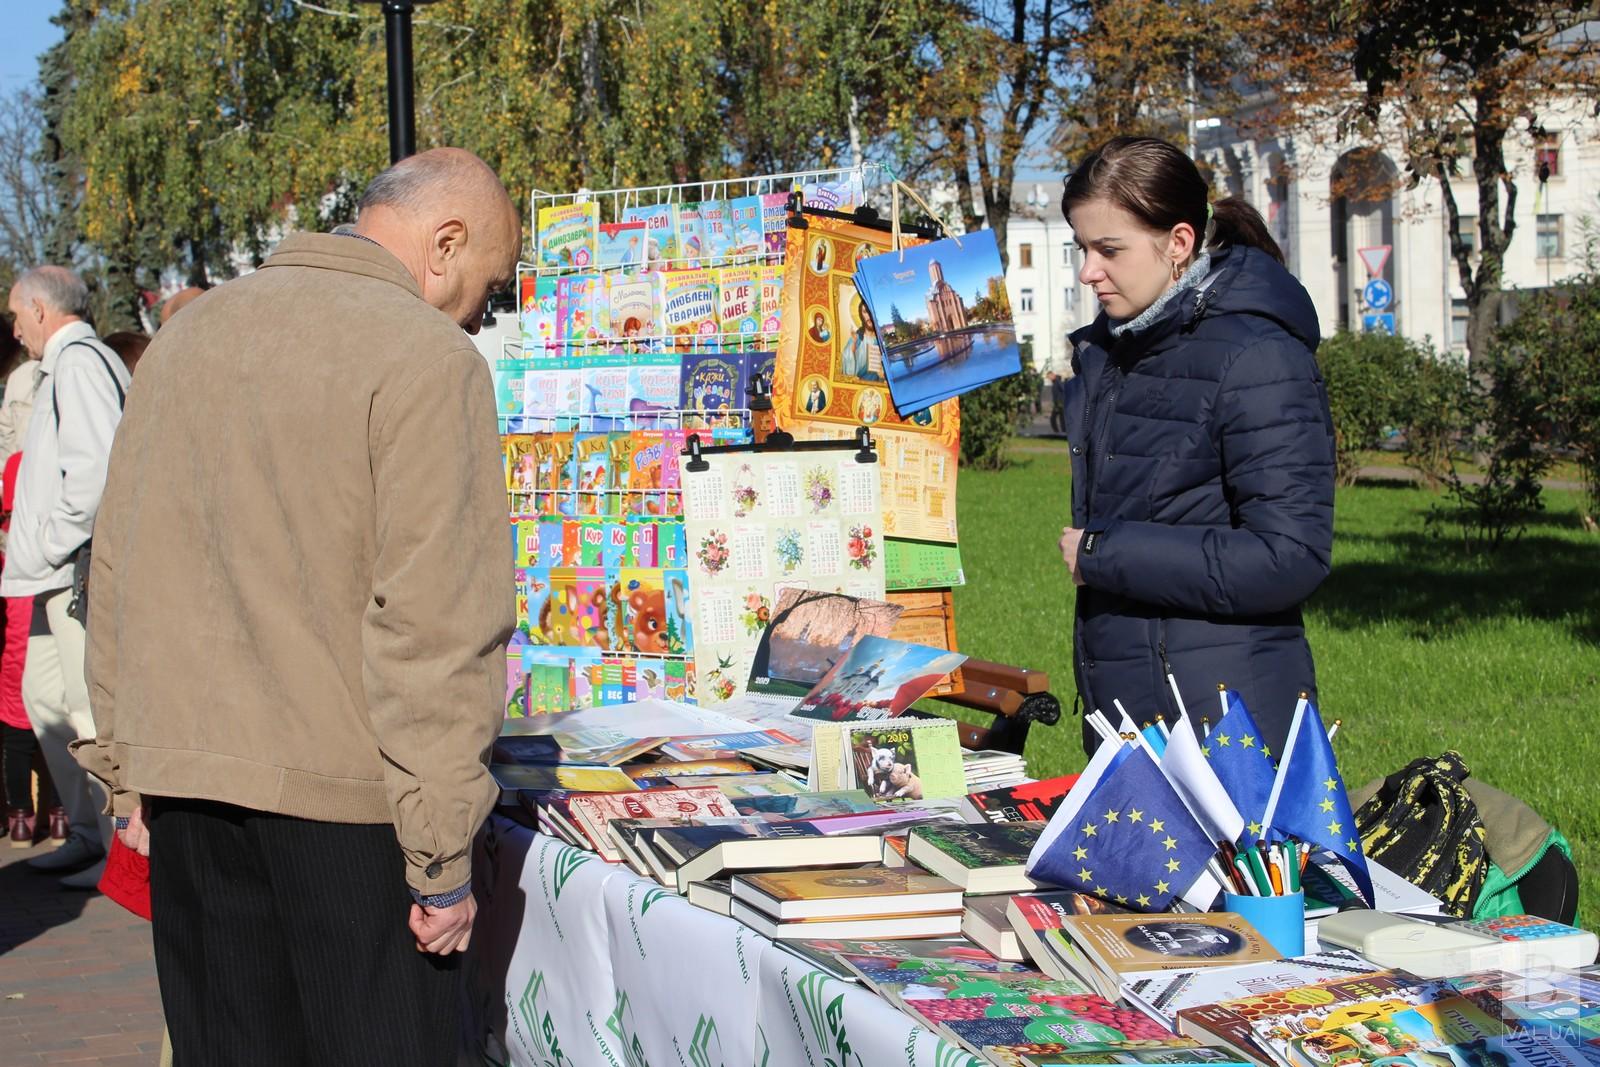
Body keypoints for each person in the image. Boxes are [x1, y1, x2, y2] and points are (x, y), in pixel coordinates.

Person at [73, 148, 518, 1063]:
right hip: (351, 820)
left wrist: (126, 770)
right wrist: (440, 860)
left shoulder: (186, 339)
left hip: (190, 794)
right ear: (444, 243)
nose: (480, 317)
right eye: (488, 287)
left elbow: (116, 568)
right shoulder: (426, 357)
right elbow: (437, 630)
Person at [1055, 136, 1335, 757]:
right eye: (1082, 247)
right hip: (1134, 721)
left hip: (1226, 731)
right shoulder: (1116, 351)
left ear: (1178, 244)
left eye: (1109, 249)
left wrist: (1104, 554)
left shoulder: (1258, 356)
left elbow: (1289, 554)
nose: (1087, 270)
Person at [3, 266, 129, 887]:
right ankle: (88, 834)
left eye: (17, 314)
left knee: (85, 705)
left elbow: (96, 469)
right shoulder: (65, 367)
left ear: (42, 311)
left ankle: (119, 847)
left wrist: (53, 542)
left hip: (74, 567)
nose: (15, 326)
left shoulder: (79, 365)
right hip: (50, 574)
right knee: (46, 699)